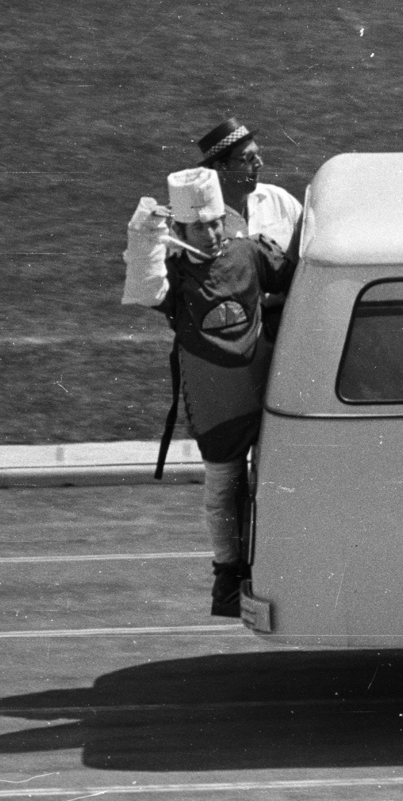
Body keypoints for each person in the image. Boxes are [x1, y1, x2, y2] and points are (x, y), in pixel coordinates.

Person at [122, 167, 296, 617]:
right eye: (200, 227)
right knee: (222, 488)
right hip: (217, 403)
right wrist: (143, 238)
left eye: (217, 221)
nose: (213, 232)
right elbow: (144, 292)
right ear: (179, 230)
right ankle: (227, 573)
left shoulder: (247, 251)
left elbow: (295, 278)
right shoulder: (174, 274)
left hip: (270, 394)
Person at [196, 116, 302, 338]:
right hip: (235, 334)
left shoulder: (279, 200)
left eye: (258, 155)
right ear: (220, 166)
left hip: (290, 322)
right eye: (249, 158)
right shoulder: (202, 224)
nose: (259, 163)